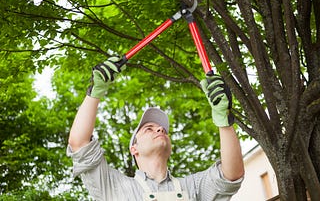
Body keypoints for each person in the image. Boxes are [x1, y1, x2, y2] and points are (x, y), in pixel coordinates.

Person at [67, 56, 244, 201]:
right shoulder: (115, 187)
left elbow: (231, 175)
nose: (160, 130)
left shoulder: (192, 187)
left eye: (163, 130)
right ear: (133, 149)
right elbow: (79, 144)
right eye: (149, 129)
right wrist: (95, 92)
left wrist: (224, 120)